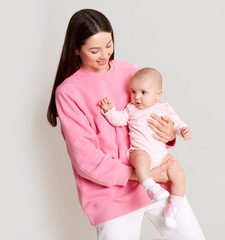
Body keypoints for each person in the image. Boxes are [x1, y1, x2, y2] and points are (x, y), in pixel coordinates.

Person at [47, 9, 205, 239]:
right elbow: (85, 159)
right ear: (75, 49)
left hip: (158, 187)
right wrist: (143, 175)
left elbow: (153, 114)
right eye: (94, 50)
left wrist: (169, 132)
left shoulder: (128, 70)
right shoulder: (69, 92)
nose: (104, 55)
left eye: (109, 45)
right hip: (112, 197)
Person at [99, 67, 191, 228]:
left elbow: (175, 123)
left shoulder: (164, 107)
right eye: (133, 92)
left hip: (162, 155)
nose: (137, 97)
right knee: (141, 161)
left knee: (179, 175)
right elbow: (119, 120)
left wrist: (182, 129)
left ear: (158, 94)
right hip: (140, 150)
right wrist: (109, 111)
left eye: (143, 92)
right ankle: (150, 187)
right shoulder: (131, 109)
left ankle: (175, 206)